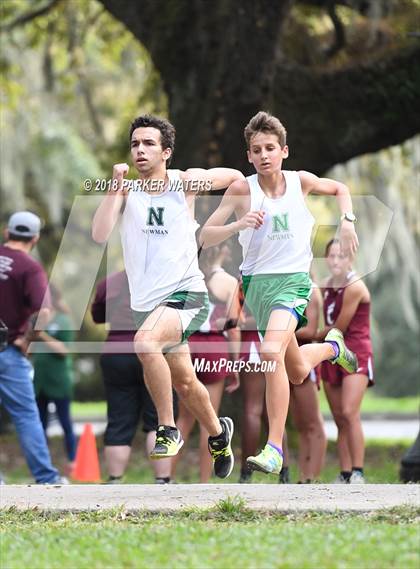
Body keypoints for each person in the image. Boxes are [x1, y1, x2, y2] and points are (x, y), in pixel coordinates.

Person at [200, 111, 359, 476]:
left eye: (270, 147)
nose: (264, 155)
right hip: (257, 286)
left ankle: (273, 448)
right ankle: (334, 348)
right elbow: (205, 235)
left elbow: (341, 189)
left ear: (284, 151)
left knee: (270, 351)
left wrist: (347, 222)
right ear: (250, 157)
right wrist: (239, 223)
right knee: (297, 368)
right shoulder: (242, 190)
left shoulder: (299, 182)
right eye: (257, 150)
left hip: (293, 282)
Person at [92, 114, 244, 479]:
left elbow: (237, 179)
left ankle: (167, 428)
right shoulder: (126, 191)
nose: (140, 150)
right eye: (135, 144)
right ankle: (219, 433)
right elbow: (99, 234)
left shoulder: (183, 183)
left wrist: (218, 218)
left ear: (166, 152)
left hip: (187, 293)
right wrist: (114, 188)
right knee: (187, 383)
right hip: (148, 305)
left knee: (144, 343)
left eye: (148, 144)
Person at [91, 270, 175, 484]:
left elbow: (97, 316)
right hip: (154, 351)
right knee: (158, 419)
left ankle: (114, 479)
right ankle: (162, 480)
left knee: (119, 419)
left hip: (116, 352)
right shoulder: (166, 277)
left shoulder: (110, 282)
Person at [0, 211, 65, 484]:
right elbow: (44, 312)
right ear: (35, 239)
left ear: (7, 233)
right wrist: (27, 339)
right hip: (7, 352)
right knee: (26, 415)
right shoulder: (29, 268)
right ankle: (46, 478)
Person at [171, 245, 240, 482]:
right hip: (214, 347)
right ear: (222, 250)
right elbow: (234, 326)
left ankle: (165, 477)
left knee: (184, 417)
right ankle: (204, 482)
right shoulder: (229, 282)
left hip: (189, 344)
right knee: (209, 421)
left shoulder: (189, 276)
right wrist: (236, 363)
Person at [317, 238, 374, 484]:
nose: (336, 260)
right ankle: (345, 472)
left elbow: (336, 328)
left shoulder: (355, 287)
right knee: (339, 416)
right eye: (331, 256)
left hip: (354, 352)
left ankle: (359, 471)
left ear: (351, 258)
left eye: (341, 256)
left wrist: (304, 336)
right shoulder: (323, 286)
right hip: (331, 355)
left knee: (350, 412)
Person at [32, 284, 77, 476]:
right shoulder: (35, 320)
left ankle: (72, 461)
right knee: (39, 424)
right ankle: (44, 463)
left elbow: (64, 350)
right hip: (39, 381)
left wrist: (41, 335)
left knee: (65, 422)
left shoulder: (63, 320)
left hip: (59, 380)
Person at [287, 284, 327, 483]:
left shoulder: (312, 290)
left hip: (305, 359)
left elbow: (311, 329)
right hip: (288, 358)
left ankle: (314, 475)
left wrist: (282, 331)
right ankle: (304, 477)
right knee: (300, 424)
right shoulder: (289, 286)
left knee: (313, 423)